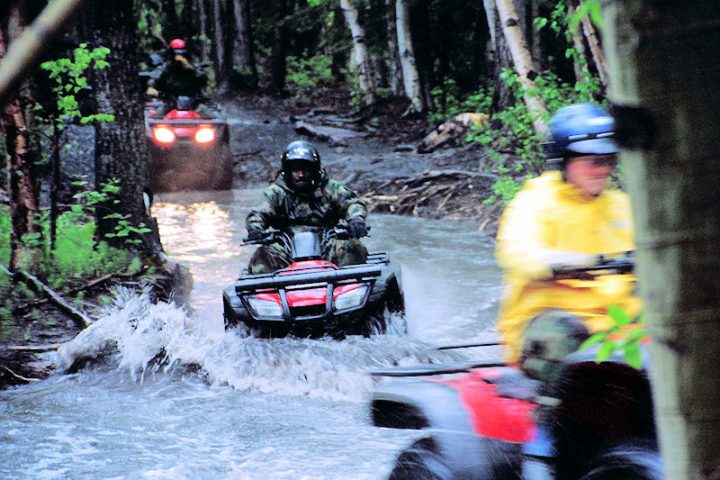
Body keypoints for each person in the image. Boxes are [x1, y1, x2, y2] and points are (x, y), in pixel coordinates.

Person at [494, 103, 643, 381]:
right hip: (552, 323)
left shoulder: (621, 205)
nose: (604, 170)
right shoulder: (535, 200)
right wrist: (580, 263)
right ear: (565, 159)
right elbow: (517, 253)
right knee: (563, 335)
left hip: (617, 321)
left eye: (609, 160)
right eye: (595, 161)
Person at [245, 140, 369, 274]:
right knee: (263, 255)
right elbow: (259, 213)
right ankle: (268, 292)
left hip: (327, 245)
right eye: (296, 170)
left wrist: (356, 219)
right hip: (286, 248)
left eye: (306, 170)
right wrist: (255, 229)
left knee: (350, 246)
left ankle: (350, 289)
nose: (301, 175)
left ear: (314, 170)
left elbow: (352, 203)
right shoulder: (275, 192)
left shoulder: (331, 188)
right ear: (287, 171)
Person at [146, 38, 212, 118]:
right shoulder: (166, 68)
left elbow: (203, 80)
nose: (179, 58)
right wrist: (153, 90)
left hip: (193, 103)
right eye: (176, 55)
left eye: (182, 55)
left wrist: (189, 67)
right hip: (171, 103)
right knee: (156, 117)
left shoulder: (192, 66)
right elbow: (155, 82)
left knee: (210, 117)